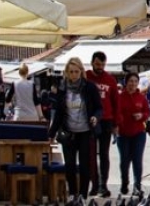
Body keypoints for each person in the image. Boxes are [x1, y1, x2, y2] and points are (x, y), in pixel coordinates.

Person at [48, 57, 102, 199]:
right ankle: (72, 193)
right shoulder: (62, 88)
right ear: (66, 72)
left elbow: (99, 108)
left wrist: (95, 117)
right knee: (70, 165)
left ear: (81, 72)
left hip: (85, 131)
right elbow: (58, 113)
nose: (74, 75)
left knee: (84, 165)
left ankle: (83, 195)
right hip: (68, 132)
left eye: (76, 72)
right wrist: (51, 133)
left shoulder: (89, 87)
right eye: (71, 72)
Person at [86, 51, 119, 198]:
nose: (100, 67)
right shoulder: (86, 76)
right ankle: (93, 185)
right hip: (90, 120)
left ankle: (103, 185)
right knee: (91, 154)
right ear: (92, 63)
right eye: (97, 64)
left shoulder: (110, 79)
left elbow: (116, 102)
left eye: (103, 65)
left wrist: (116, 124)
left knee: (104, 154)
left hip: (106, 120)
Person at [117, 72, 149, 195]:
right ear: (126, 82)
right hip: (123, 133)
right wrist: (119, 122)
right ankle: (124, 183)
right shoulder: (120, 97)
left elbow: (147, 112)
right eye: (131, 81)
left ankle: (137, 185)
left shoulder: (141, 97)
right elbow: (117, 112)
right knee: (124, 160)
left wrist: (142, 115)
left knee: (137, 159)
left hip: (139, 132)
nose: (133, 84)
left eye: (135, 81)